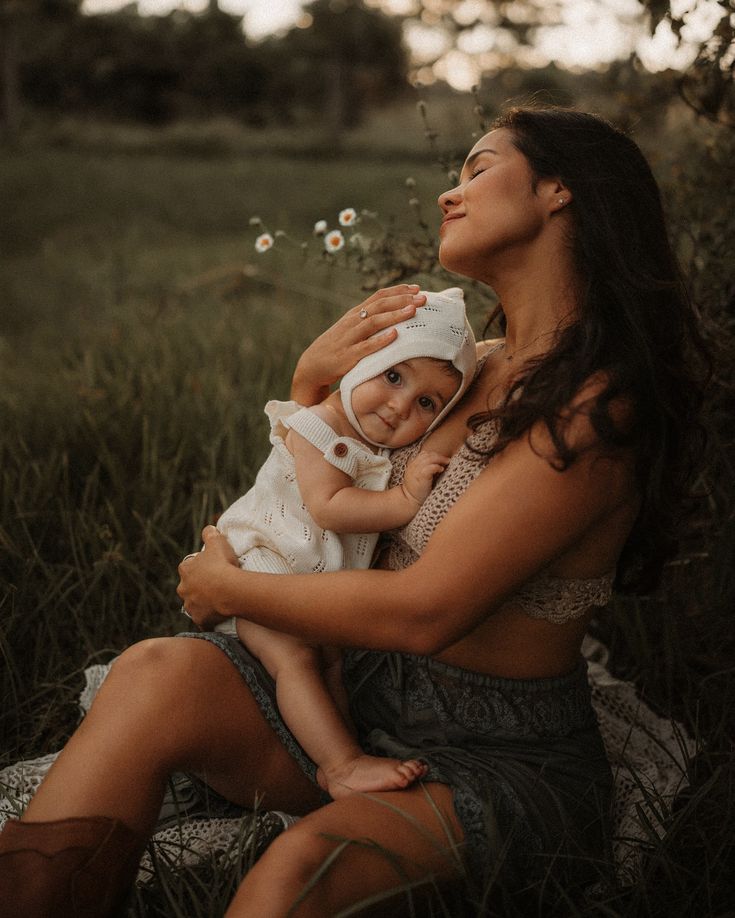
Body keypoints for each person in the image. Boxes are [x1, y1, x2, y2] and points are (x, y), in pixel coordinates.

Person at [0, 106, 707, 918]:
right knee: (154, 673)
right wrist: (308, 389)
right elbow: (326, 498)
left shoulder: (596, 407)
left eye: (477, 168)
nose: (449, 193)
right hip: (357, 701)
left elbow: (424, 609)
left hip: (496, 756)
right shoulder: (463, 367)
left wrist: (226, 591)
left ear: (558, 190)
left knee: (293, 878)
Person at [206, 288, 477, 799]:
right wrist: (404, 498)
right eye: (393, 376)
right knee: (296, 660)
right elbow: (331, 505)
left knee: (330, 660)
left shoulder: (367, 438)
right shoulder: (317, 426)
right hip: (262, 570)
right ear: (360, 364)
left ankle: (340, 749)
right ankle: (341, 765)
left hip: (306, 580)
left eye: (426, 403)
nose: (399, 406)